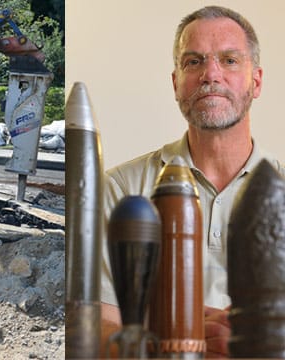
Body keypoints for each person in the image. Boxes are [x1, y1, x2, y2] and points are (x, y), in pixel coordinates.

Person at [99, 5, 285, 358]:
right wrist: (172, 342)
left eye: (229, 60)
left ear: (256, 81)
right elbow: (95, 323)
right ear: (176, 82)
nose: (210, 74)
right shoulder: (121, 191)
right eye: (194, 61)